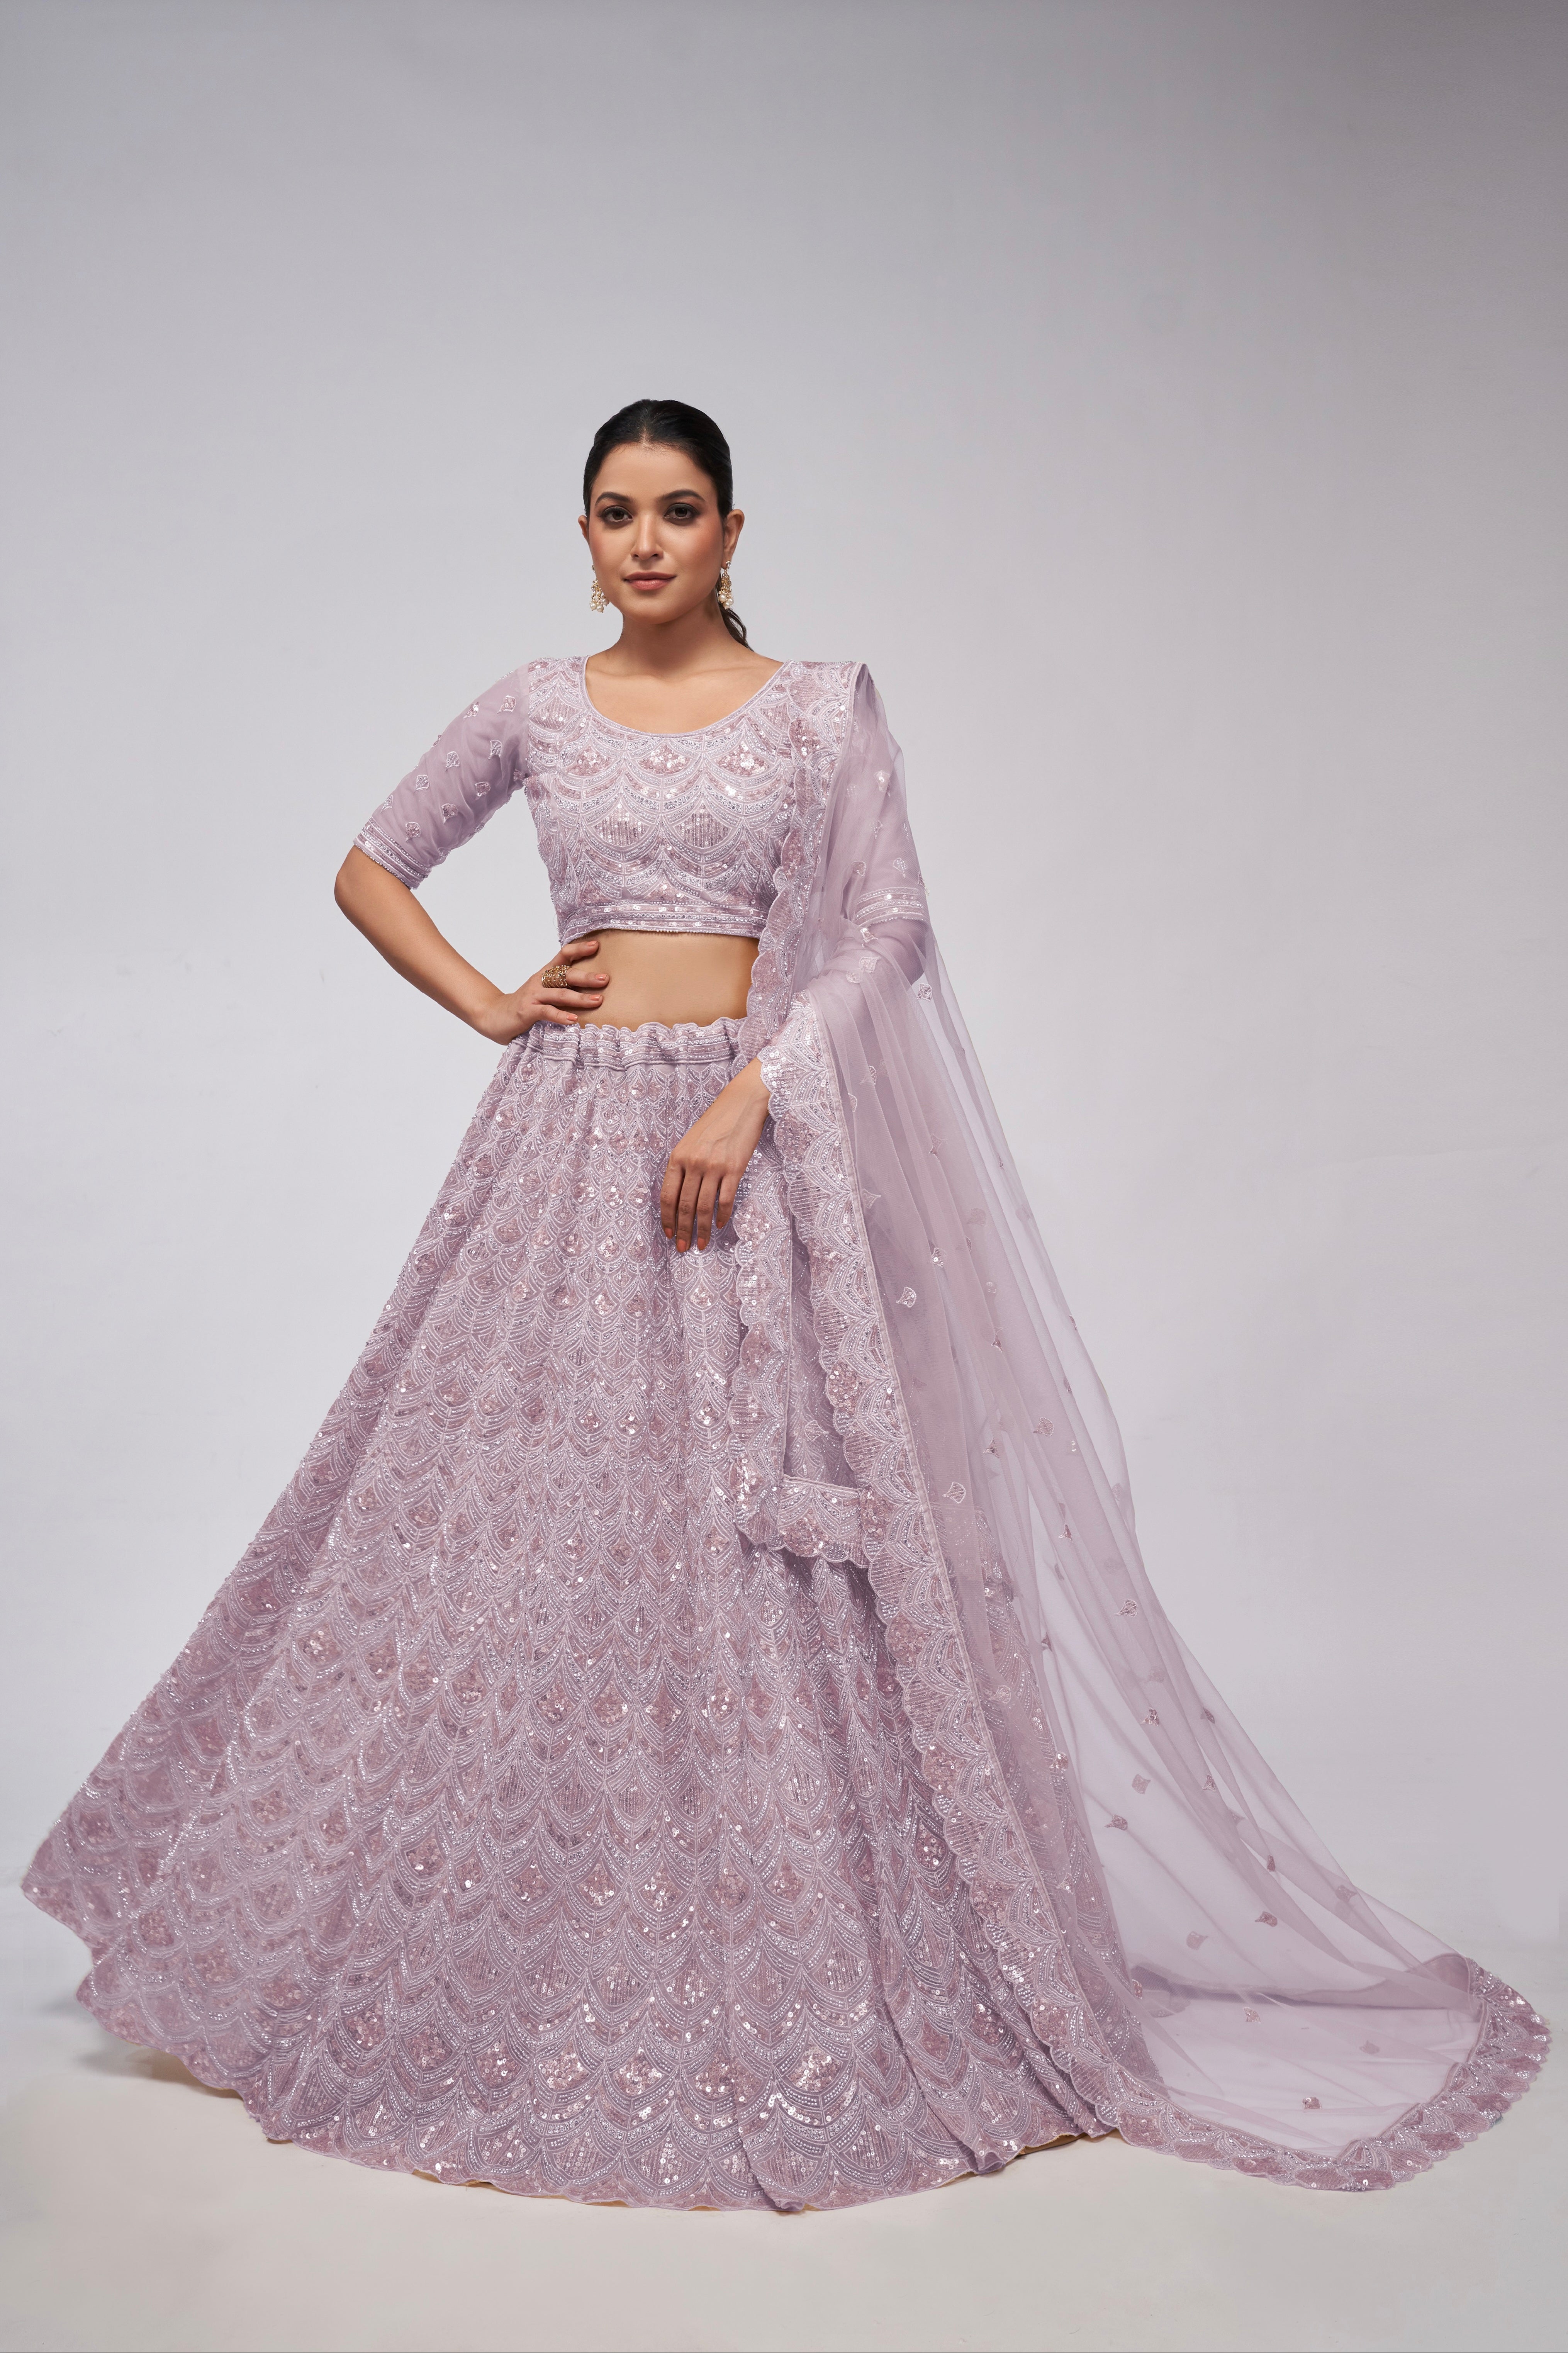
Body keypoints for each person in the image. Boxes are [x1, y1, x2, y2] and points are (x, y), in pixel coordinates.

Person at [24, 401, 1545, 2212]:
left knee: (757, 1543)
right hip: (564, 1146)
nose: (645, 541)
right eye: (615, 512)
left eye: (678, 510)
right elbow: (369, 864)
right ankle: (494, 1953)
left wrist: (756, 1089)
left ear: (733, 531)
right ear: (582, 535)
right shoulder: (534, 705)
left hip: (749, 1149)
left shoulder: (821, 710)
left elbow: (886, 928)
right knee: (524, 1527)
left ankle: (813, 1953)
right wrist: (493, 1001)